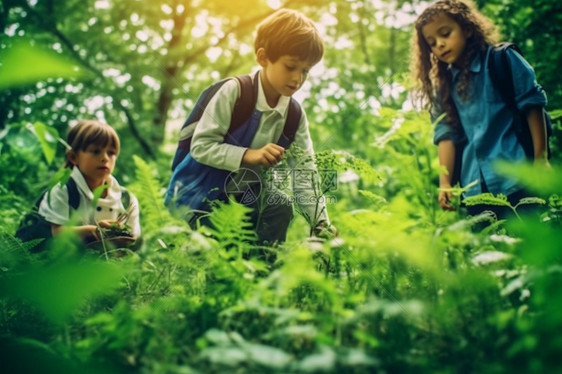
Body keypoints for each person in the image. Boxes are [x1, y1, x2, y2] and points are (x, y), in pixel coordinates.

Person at [166, 8, 336, 244]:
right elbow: (201, 146)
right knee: (217, 254)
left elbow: (305, 172)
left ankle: (262, 275)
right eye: (290, 67)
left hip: (246, 195)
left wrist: (320, 222)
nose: (298, 79)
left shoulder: (294, 114)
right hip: (202, 193)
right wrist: (249, 155)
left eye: (305, 71)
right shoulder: (235, 92)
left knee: (280, 208)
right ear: (263, 58)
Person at [411, 0, 549, 220]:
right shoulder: (443, 89)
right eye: (432, 42)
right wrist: (445, 183)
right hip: (475, 191)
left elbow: (532, 104)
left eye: (445, 34)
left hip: (518, 178)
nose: (439, 44)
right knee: (491, 251)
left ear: (467, 29)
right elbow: (446, 135)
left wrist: (541, 160)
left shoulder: (502, 60)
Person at [39, 120, 141, 244]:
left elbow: (133, 238)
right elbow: (58, 233)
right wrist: (94, 231)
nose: (105, 158)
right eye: (96, 151)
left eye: (111, 153)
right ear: (73, 157)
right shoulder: (63, 190)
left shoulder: (127, 199)